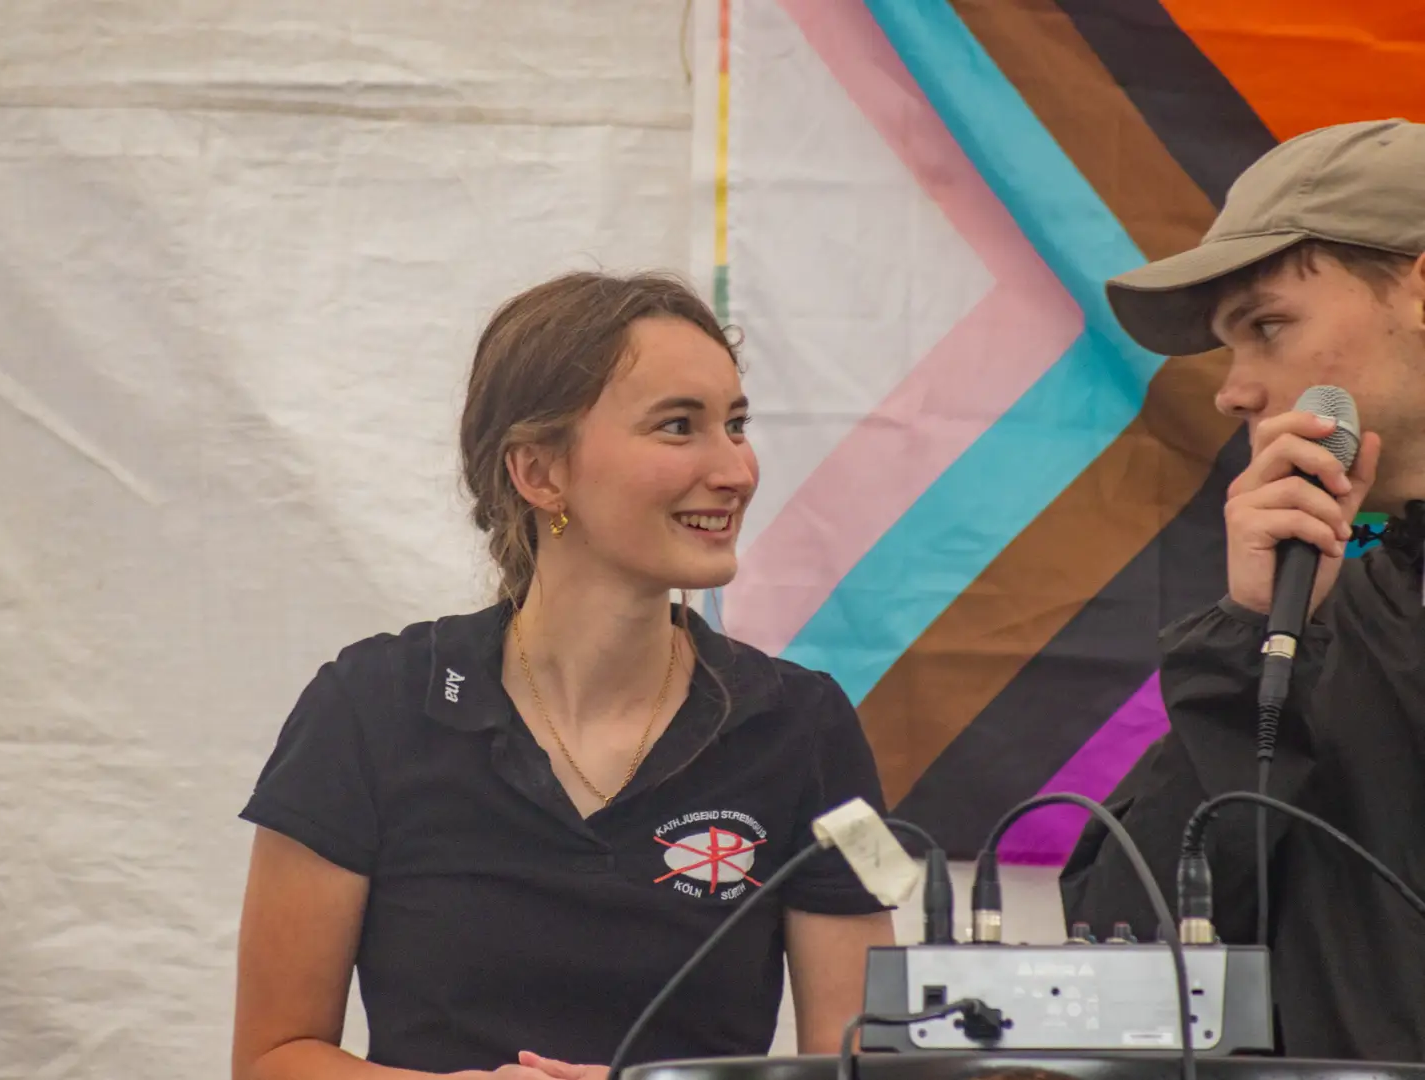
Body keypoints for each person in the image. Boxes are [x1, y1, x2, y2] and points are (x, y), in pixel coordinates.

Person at [231, 271, 897, 1080]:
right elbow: (271, 1059)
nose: (737, 470)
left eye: (736, 425)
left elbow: (866, 1068)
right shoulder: (369, 706)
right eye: (679, 426)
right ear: (540, 473)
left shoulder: (804, 726)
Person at [1060, 118, 1425, 1061]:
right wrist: (1254, 634)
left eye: (1267, 326)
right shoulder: (1313, 632)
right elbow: (1120, 963)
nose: (1233, 391)